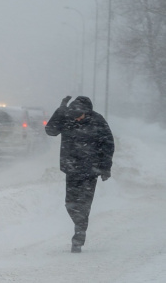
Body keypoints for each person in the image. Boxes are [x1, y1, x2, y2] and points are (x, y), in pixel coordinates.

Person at [45, 96, 114, 253]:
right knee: (70, 204)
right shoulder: (67, 118)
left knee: (84, 204)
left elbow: (108, 144)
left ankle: (79, 235)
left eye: (80, 115)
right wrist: (60, 111)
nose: (77, 118)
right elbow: (50, 131)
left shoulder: (98, 121)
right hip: (72, 169)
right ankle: (79, 225)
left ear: (87, 112)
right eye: (74, 115)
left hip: (91, 171)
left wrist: (105, 167)